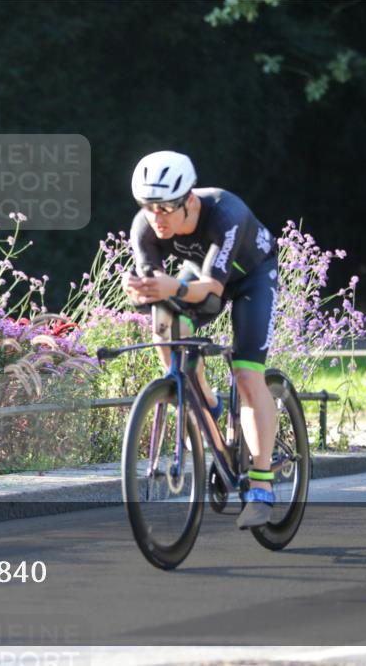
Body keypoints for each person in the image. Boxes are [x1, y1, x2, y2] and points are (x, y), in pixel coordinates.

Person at [122, 151, 279, 529]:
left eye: (164, 208)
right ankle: (200, 399)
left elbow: (211, 290)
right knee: (164, 321)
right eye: (147, 207)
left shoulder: (226, 214)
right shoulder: (144, 226)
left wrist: (171, 286)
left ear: (189, 201)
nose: (155, 217)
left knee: (246, 374)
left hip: (250, 278)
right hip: (199, 275)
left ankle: (261, 483)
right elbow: (161, 291)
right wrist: (142, 291)